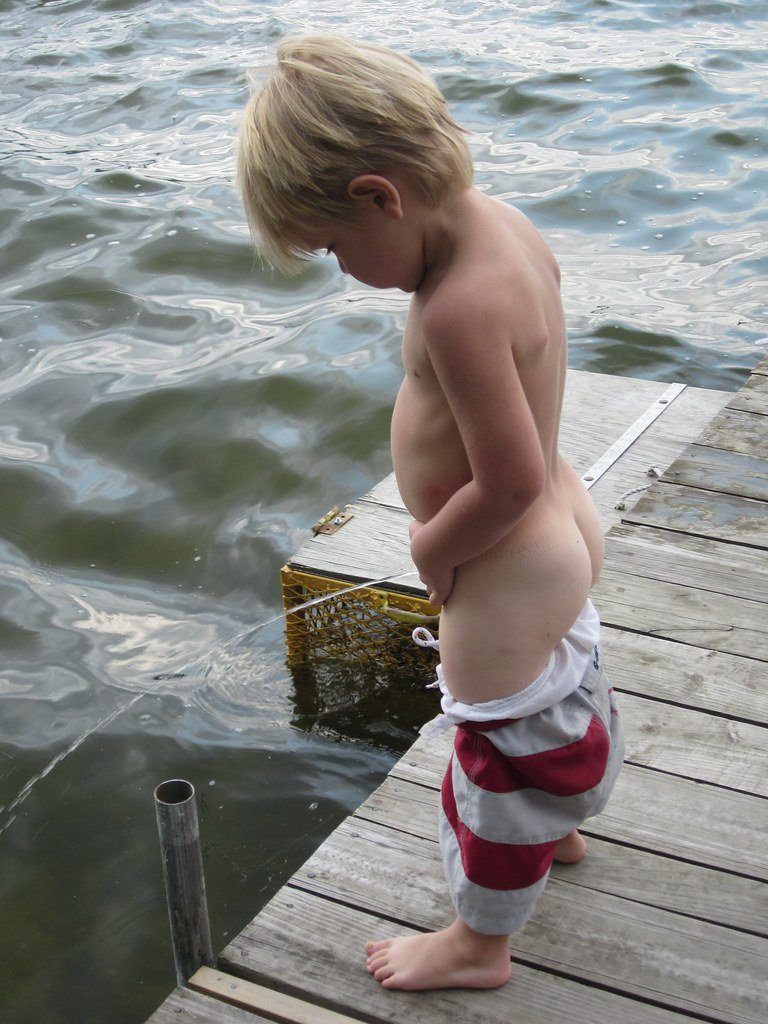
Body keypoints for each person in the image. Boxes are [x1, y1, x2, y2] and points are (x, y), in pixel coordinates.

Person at [236, 32, 625, 993]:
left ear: (379, 195)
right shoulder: (508, 226)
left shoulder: (455, 305)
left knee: (490, 754)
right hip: (557, 533)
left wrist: (431, 547)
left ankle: (478, 944)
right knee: (558, 691)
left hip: (505, 553)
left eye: (332, 248)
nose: (341, 268)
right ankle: (560, 829)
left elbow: (504, 484)